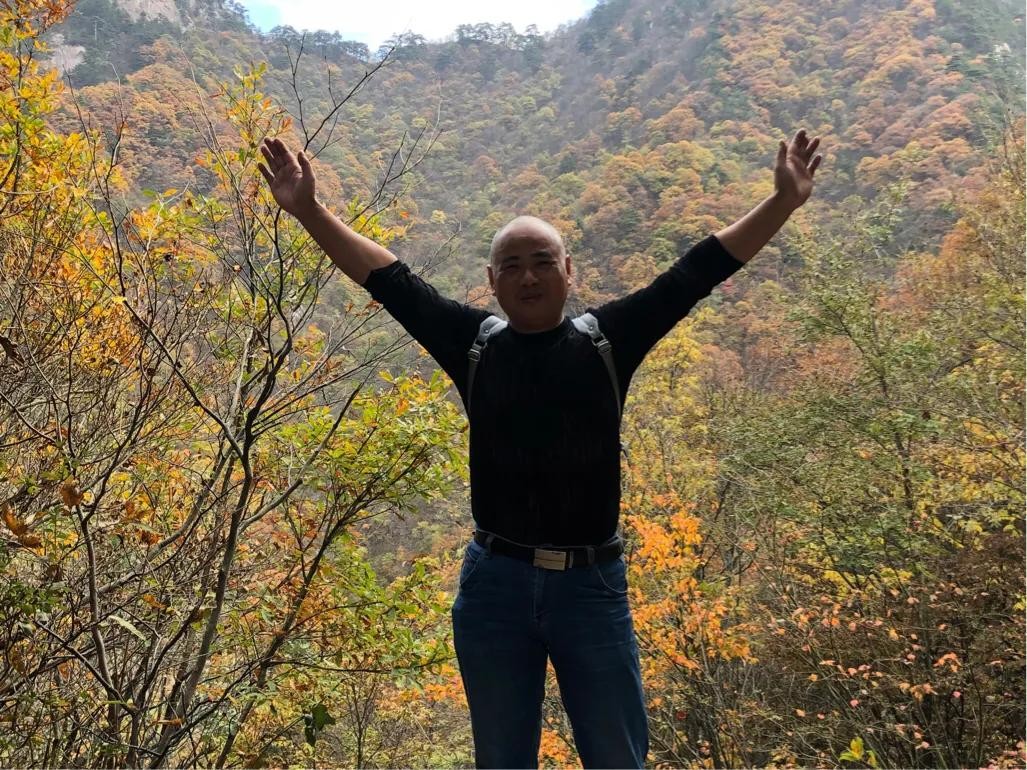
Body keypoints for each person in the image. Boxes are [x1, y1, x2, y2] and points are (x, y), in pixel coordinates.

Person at [259, 130, 822, 768]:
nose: (528, 276)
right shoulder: (473, 346)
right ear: (491, 280)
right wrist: (308, 210)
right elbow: (389, 279)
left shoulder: (609, 341)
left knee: (617, 757)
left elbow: (696, 273)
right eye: (513, 265)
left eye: (542, 261)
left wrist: (783, 202)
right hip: (494, 586)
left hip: (592, 588)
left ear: (567, 270)